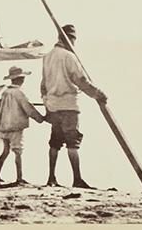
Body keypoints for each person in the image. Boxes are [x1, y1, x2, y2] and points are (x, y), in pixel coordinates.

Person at [41, 24, 107, 189]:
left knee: (55, 142)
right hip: (69, 105)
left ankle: (51, 178)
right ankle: (77, 179)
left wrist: (46, 104)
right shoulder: (69, 56)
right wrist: (98, 94)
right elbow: (81, 81)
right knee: (72, 142)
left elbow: (43, 85)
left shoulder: (47, 56)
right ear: (70, 39)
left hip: (53, 106)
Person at [0, 66, 44, 184]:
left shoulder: (5, 92)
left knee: (5, 151)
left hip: (4, 126)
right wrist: (41, 118)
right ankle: (19, 178)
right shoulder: (19, 93)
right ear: (21, 79)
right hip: (15, 127)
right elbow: (29, 109)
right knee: (18, 151)